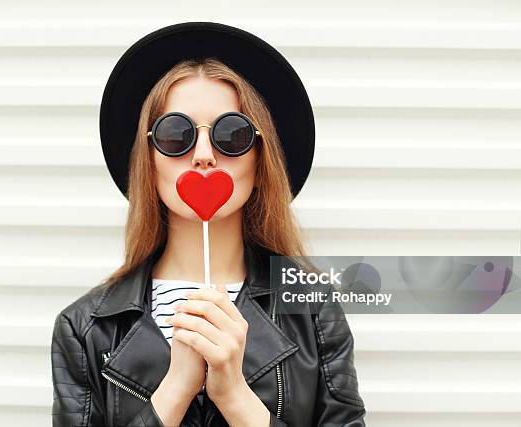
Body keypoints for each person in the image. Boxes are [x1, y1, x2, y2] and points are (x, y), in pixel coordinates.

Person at [51, 22, 366, 427]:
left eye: (230, 135)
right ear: (147, 159)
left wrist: (235, 396)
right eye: (175, 133)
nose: (202, 155)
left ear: (259, 157)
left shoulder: (313, 310)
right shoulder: (83, 328)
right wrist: (177, 387)